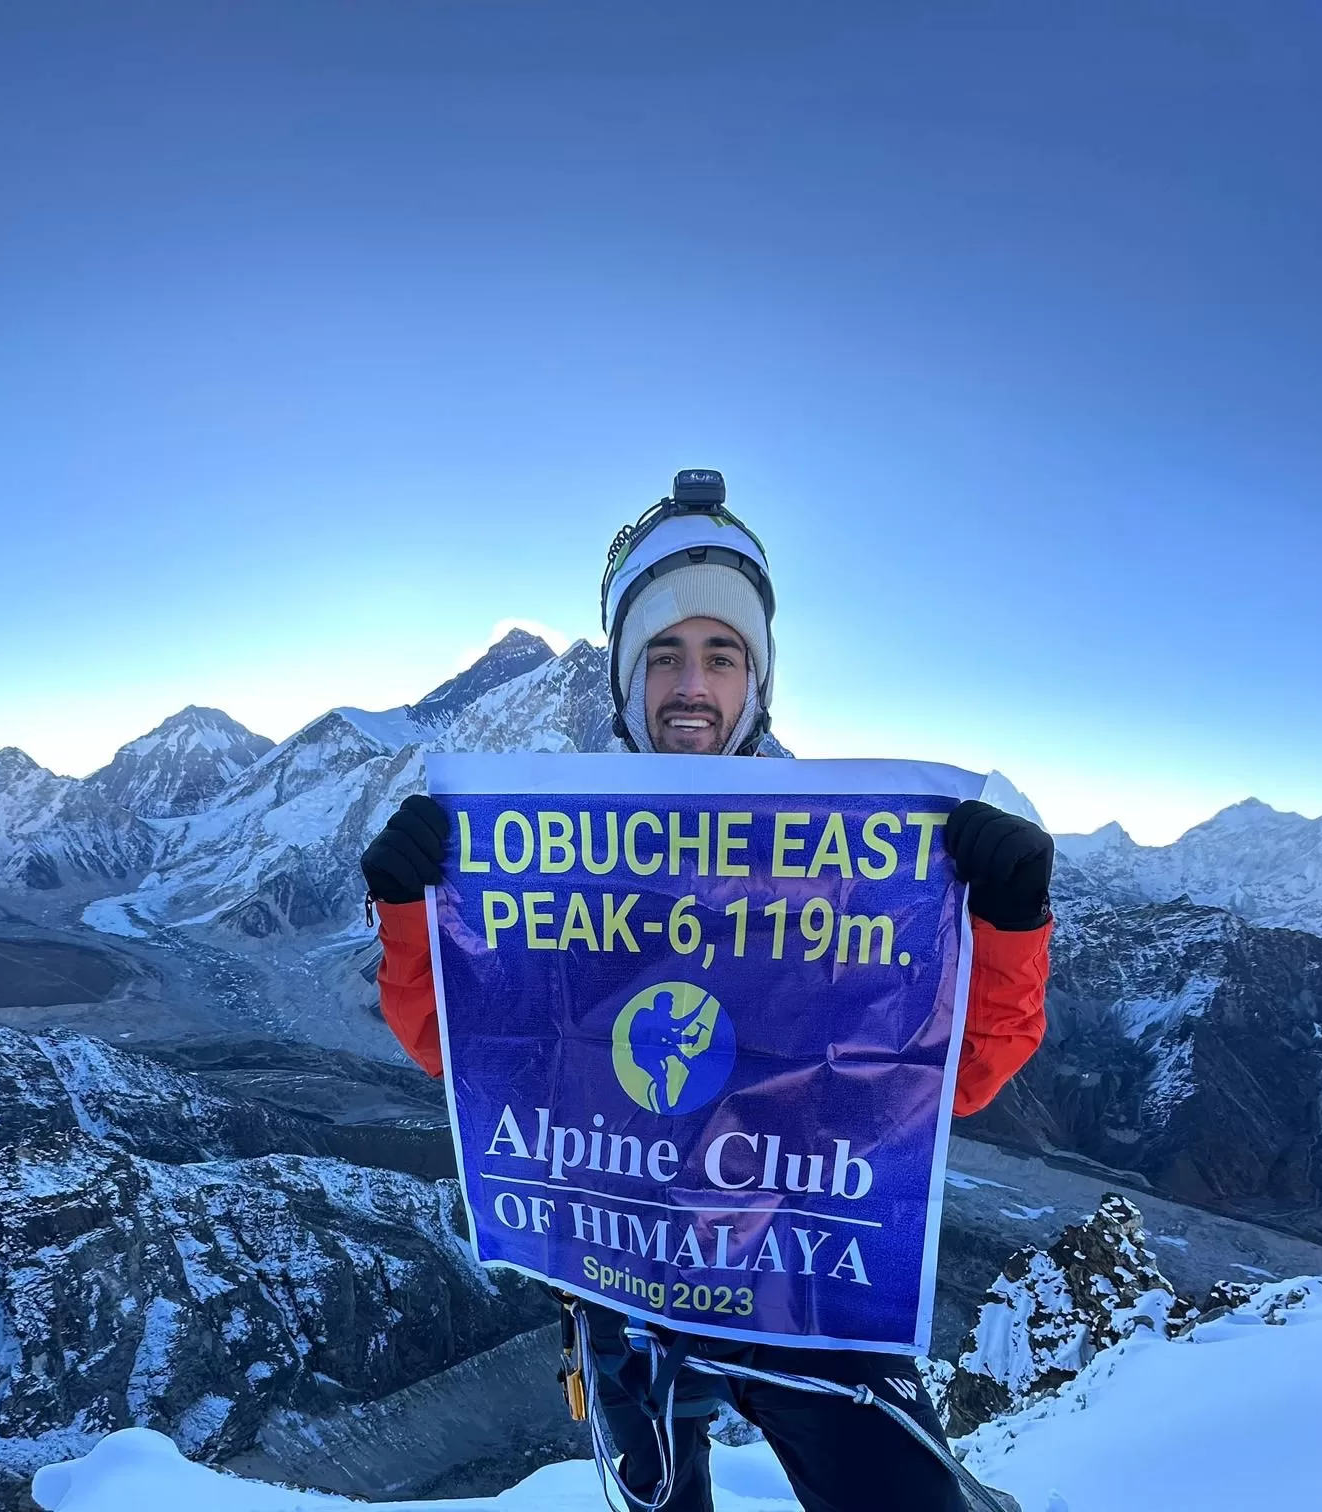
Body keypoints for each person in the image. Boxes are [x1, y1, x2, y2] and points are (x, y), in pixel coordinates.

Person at [360, 470, 1052, 1512]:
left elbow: (943, 1083)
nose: (693, 683)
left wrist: (1005, 921)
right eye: (664, 654)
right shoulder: (552, 861)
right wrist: (414, 912)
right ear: (626, 680)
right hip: (617, 1258)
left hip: (801, 1249)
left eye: (721, 655)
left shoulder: (847, 866)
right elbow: (467, 1054)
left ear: (756, 680)